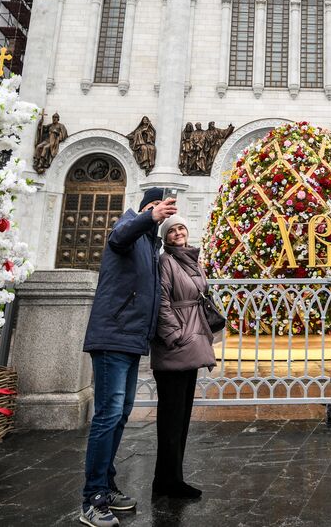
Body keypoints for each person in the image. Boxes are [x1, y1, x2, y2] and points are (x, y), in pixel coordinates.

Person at [79, 187, 176, 527]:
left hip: (132, 340)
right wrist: (148, 216)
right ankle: (92, 498)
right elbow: (120, 236)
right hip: (113, 337)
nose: (165, 212)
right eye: (159, 206)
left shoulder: (150, 246)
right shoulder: (129, 228)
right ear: (148, 206)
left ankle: (106, 484)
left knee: (119, 415)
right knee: (107, 416)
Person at [150, 215, 217, 499]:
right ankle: (167, 480)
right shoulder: (166, 262)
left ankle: (170, 478)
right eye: (172, 230)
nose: (177, 232)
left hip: (191, 343)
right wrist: (175, 335)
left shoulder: (191, 259)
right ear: (165, 237)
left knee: (181, 416)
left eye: (181, 228)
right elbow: (161, 300)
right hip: (177, 345)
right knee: (171, 418)